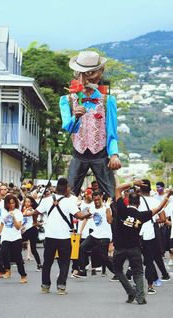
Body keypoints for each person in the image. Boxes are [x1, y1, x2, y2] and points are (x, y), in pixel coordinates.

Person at [59, 51, 121, 198]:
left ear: (101, 72)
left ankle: (115, 219)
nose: (86, 78)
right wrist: (76, 116)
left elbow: (112, 132)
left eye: (91, 73)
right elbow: (68, 128)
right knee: (67, 195)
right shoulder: (66, 100)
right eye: (83, 74)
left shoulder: (108, 100)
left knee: (113, 195)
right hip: (78, 154)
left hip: (100, 154)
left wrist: (114, 154)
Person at [112, 179, 173, 305]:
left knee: (118, 270)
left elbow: (118, 189)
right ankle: (140, 297)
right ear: (139, 204)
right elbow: (159, 208)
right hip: (134, 248)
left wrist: (133, 183)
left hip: (119, 249)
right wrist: (167, 196)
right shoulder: (141, 215)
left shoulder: (121, 209)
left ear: (128, 201)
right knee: (138, 272)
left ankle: (130, 291)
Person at [36, 177, 91, 295]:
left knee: (47, 262)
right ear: (67, 189)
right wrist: (89, 213)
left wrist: (35, 222)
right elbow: (79, 216)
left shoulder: (46, 200)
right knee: (64, 262)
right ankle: (61, 286)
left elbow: (36, 212)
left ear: (56, 188)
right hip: (64, 238)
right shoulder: (69, 202)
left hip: (50, 236)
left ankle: (45, 286)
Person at [139, 179, 170, 295]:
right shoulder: (155, 201)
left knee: (135, 259)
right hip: (149, 234)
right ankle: (150, 286)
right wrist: (152, 219)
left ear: (140, 189)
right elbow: (163, 219)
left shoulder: (136, 200)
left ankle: (135, 283)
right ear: (150, 188)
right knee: (149, 260)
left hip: (136, 233)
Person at [75, 190, 114, 278]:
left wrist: (108, 210)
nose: (96, 202)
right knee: (81, 248)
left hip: (105, 236)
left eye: (98, 199)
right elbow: (83, 217)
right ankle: (82, 271)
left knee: (104, 257)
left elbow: (110, 221)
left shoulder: (106, 208)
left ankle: (117, 273)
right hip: (95, 234)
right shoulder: (91, 208)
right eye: (95, 200)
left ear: (101, 198)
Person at [0, 194, 27, 283]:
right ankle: (7, 270)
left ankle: (23, 275)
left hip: (16, 237)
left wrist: (13, 217)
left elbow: (18, 227)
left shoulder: (18, 212)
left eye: (13, 203)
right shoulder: (4, 212)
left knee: (18, 257)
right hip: (5, 237)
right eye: (9, 203)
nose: (11, 205)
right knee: (3, 252)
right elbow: (1, 224)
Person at [21, 195, 42, 271]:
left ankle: (39, 264)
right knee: (19, 244)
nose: (26, 203)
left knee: (33, 249)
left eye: (28, 202)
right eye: (25, 201)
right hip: (26, 230)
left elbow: (24, 215)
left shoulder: (31, 210)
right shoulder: (24, 209)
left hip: (32, 230)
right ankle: (20, 261)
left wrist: (26, 210)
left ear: (32, 203)